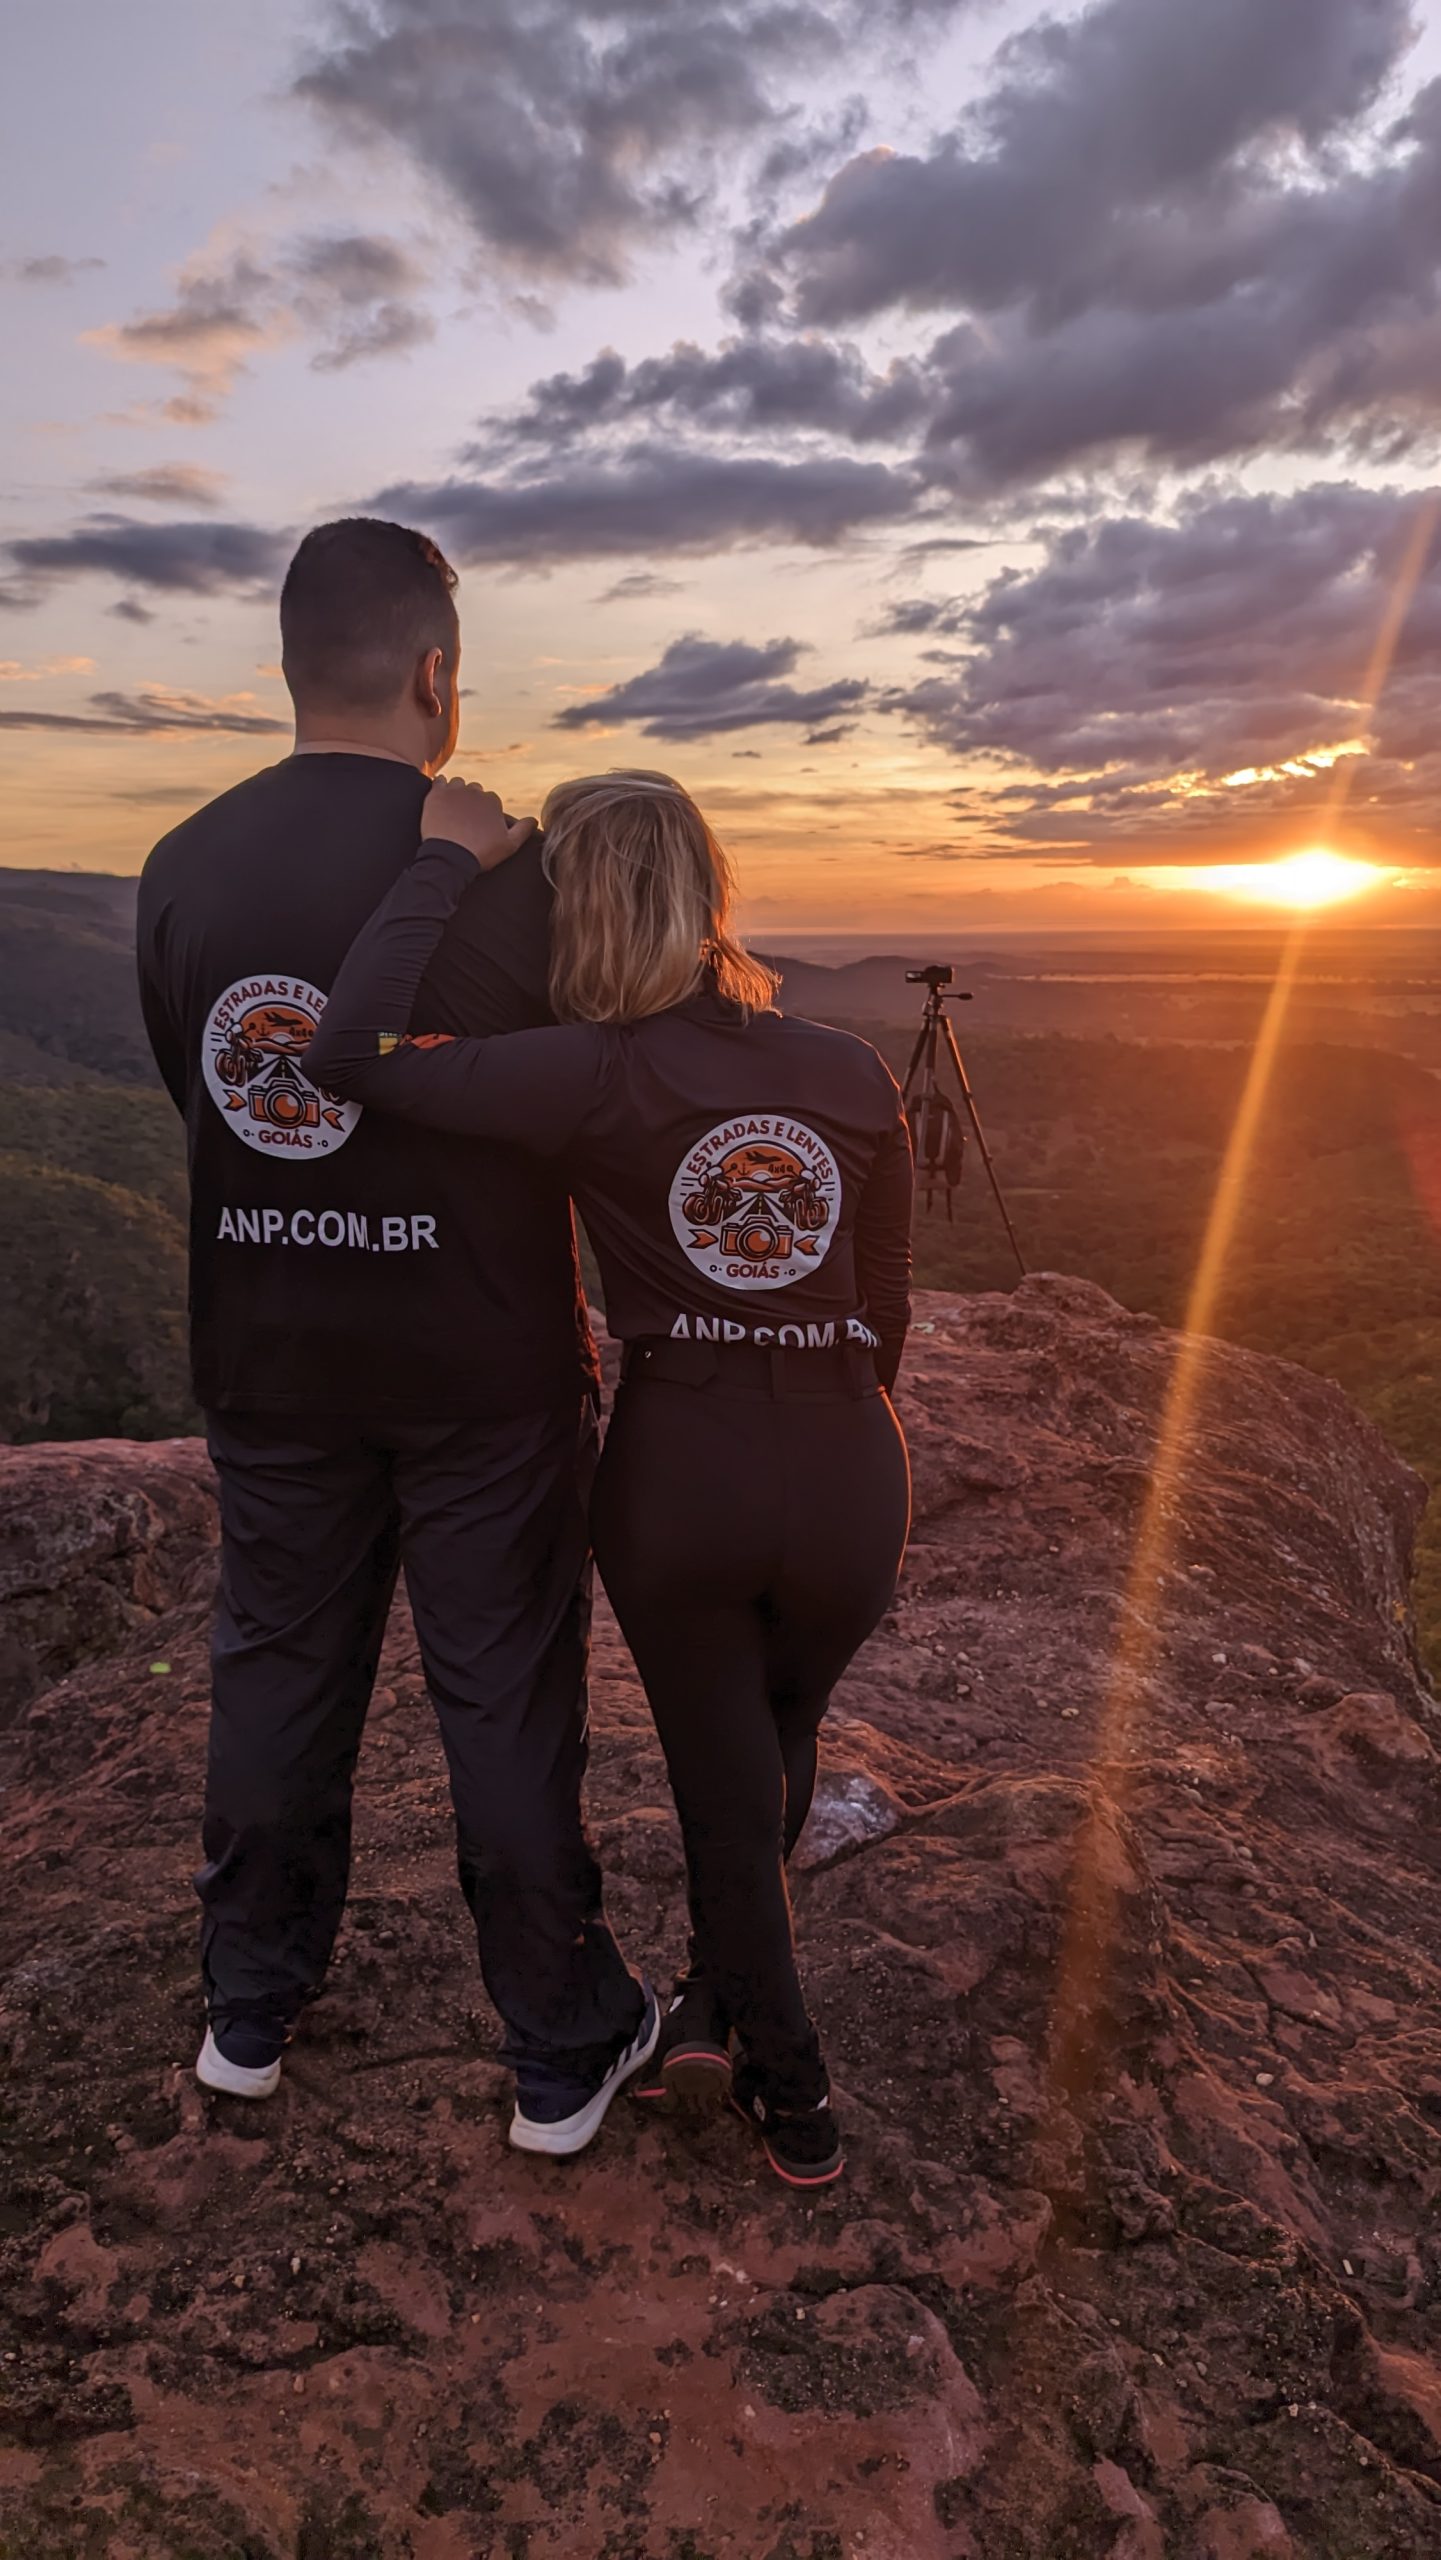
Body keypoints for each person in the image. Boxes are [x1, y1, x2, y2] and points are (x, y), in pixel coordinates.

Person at [306, 769, 913, 2186]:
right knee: (776, 1739)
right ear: (713, 892)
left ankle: (792, 2083)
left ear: (576, 907)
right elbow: (884, 1301)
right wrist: (823, 1418)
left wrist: (442, 870)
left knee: (721, 1785)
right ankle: (709, 2001)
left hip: (678, 1467)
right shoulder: (844, 1066)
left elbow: (345, 1056)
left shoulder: (590, 1069)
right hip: (844, 1469)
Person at [136, 518, 654, 2158]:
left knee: (275, 1672)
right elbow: (584, 1107)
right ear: (438, 676)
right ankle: (558, 2044)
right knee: (500, 1695)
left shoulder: (179, 867)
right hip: (481, 1364)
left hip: (275, 1350)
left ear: (289, 668)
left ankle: (249, 2007)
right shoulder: (521, 878)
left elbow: (210, 1097)